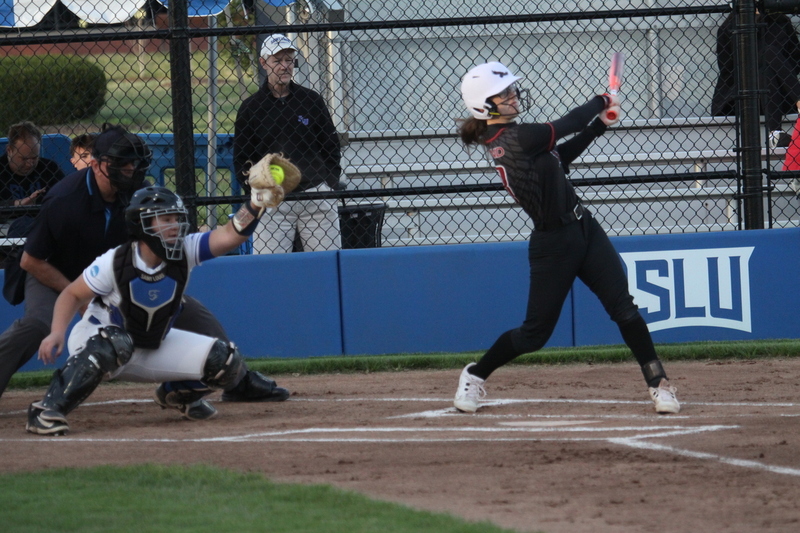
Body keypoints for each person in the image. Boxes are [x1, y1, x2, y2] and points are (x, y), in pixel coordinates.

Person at [0, 125, 289, 410]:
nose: (130, 169)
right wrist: (81, 297)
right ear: (98, 164)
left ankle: (238, 381)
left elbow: (170, 243)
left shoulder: (135, 191)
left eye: (134, 163)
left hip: (112, 270)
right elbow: (31, 261)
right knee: (38, 323)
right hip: (53, 270)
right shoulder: (65, 200)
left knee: (190, 312)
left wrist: (254, 204)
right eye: (122, 163)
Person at [453, 62, 680, 415]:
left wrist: (599, 126)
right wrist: (601, 100)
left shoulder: (517, 138)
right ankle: (475, 375)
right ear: (486, 105)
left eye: (513, 89)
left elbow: (562, 157)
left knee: (625, 310)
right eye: (505, 93)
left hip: (584, 229)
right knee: (534, 335)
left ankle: (659, 383)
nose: (514, 95)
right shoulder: (515, 139)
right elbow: (567, 123)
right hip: (552, 244)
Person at [26, 178, 290, 435]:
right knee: (117, 342)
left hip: (151, 343)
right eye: (166, 219)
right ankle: (46, 410)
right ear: (142, 224)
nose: (175, 225)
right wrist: (57, 332)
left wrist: (255, 204)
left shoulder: (186, 249)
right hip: (99, 340)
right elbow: (72, 294)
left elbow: (231, 235)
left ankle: (175, 394)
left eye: (176, 218)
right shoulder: (116, 260)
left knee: (225, 361)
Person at [234, 33, 344, 253]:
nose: (284, 66)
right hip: (273, 201)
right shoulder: (251, 108)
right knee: (270, 270)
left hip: (315, 196)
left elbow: (330, 145)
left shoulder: (311, 100)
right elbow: (242, 158)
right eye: (277, 61)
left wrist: (328, 183)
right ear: (263, 63)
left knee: (328, 266)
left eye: (289, 60)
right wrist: (257, 189)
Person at [711, 10, 800, 148]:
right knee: (768, 54)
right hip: (741, 97)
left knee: (766, 71)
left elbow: (795, 62)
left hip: (779, 96)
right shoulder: (730, 28)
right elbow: (729, 71)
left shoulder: (781, 23)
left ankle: (775, 133)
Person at [0, 121, 64, 236]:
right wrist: (17, 204)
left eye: (34, 158)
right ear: (9, 150)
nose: (30, 164)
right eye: (24, 159)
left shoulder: (49, 169)